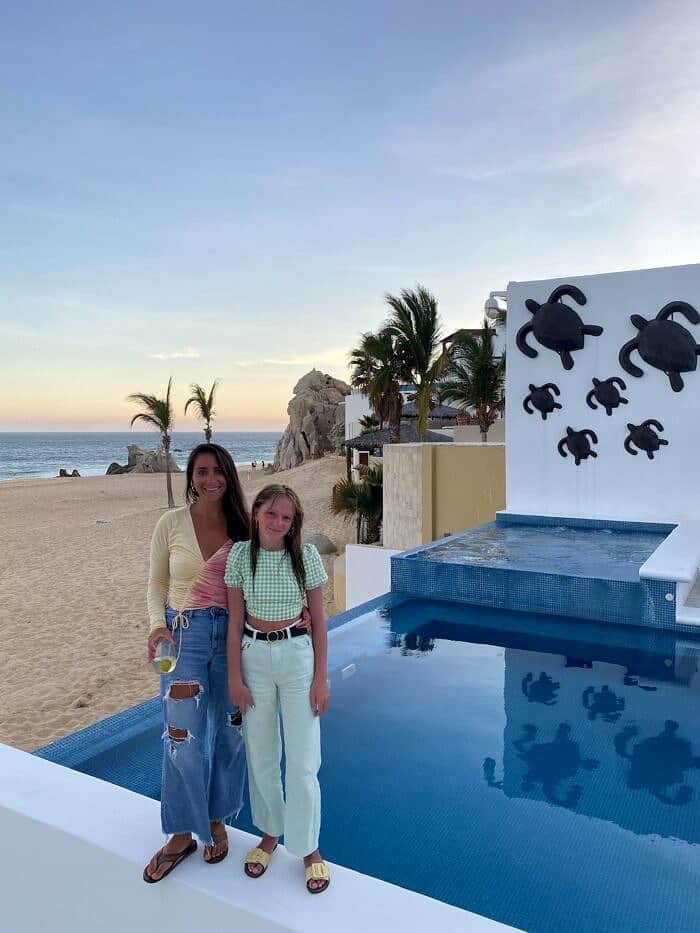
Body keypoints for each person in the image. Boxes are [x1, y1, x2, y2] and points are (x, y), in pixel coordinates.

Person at [142, 443, 250, 883]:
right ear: (191, 477)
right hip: (182, 636)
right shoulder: (170, 523)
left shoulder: (243, 527)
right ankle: (183, 833)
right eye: (202, 471)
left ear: (229, 475)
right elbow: (156, 584)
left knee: (230, 729)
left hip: (232, 637)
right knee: (181, 735)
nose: (211, 479)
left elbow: (265, 579)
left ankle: (218, 817)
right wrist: (157, 626)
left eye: (218, 471)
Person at [225, 484, 331, 894]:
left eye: (286, 517)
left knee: (303, 758)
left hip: (296, 657)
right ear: (256, 513)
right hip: (253, 657)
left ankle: (308, 847)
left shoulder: (306, 556)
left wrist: (321, 679)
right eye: (271, 513)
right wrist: (235, 678)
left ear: (294, 522)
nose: (278, 522)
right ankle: (270, 833)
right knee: (262, 753)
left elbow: (319, 622)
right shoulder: (240, 556)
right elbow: (235, 621)